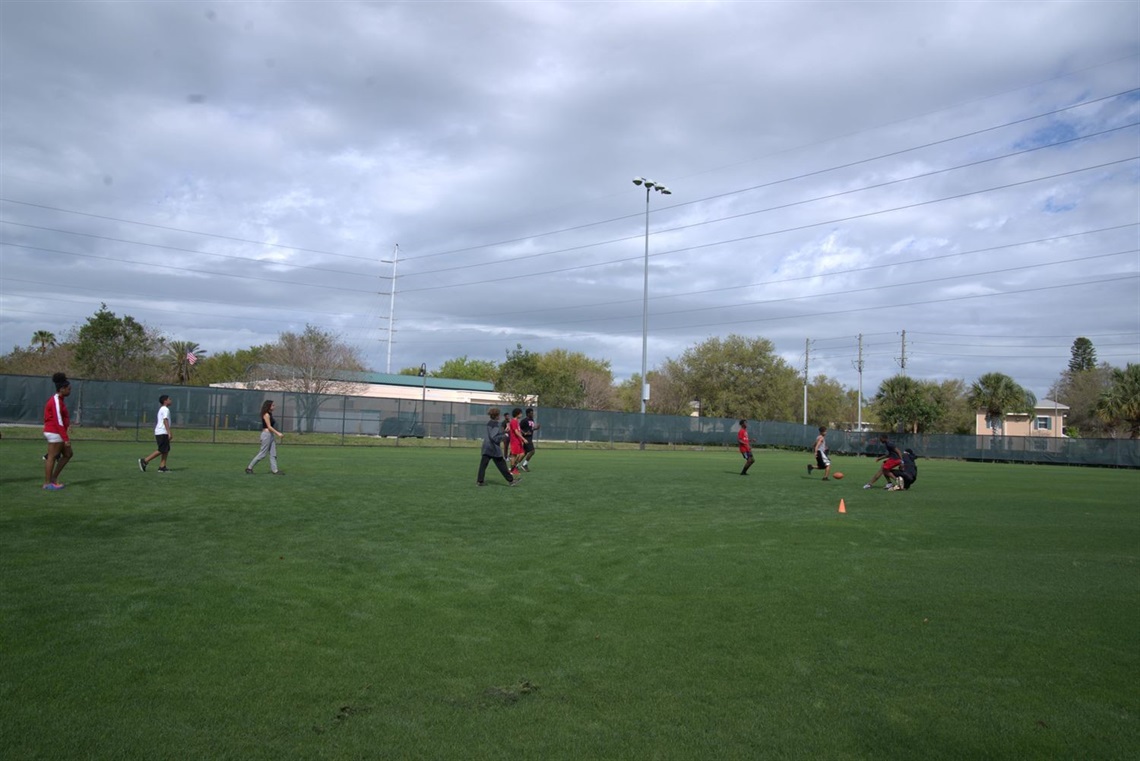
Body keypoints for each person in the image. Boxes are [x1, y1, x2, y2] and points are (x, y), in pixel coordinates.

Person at [42, 372, 73, 490]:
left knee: (68, 454)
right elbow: (58, 420)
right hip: (55, 431)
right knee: (52, 456)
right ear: (62, 389)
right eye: (68, 389)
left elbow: (62, 418)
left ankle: (53, 478)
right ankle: (47, 483)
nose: (70, 391)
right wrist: (65, 438)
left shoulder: (60, 400)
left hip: (58, 431)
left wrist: (67, 426)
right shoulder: (55, 400)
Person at [477, 408, 519, 487]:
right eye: (499, 415)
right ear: (496, 416)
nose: (500, 416)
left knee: (483, 465)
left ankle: (480, 481)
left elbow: (493, 434)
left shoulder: (489, 423)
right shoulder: (496, 424)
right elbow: (494, 437)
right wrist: (505, 436)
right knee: (502, 465)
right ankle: (511, 481)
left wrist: (504, 431)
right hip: (493, 448)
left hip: (486, 447)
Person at [246, 399, 284, 475]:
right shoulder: (266, 414)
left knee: (273, 453)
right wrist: (278, 433)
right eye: (273, 405)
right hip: (266, 435)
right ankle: (249, 468)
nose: (274, 406)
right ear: (268, 406)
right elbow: (269, 427)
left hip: (271, 435)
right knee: (262, 454)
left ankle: (275, 470)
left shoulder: (270, 414)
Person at [139, 395, 173, 472]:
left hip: (162, 432)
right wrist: (169, 432)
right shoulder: (165, 409)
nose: (171, 400)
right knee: (162, 449)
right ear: (165, 401)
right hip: (162, 432)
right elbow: (165, 420)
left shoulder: (163, 409)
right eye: (169, 399)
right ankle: (145, 461)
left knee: (166, 449)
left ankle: (162, 467)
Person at [507, 407, 527, 474]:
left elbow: (518, 431)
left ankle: (513, 467)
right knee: (514, 455)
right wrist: (523, 439)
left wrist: (521, 439)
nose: (521, 415)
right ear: (517, 414)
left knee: (522, 454)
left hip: (518, 441)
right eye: (520, 413)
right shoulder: (513, 421)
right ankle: (512, 469)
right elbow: (516, 432)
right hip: (514, 441)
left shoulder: (516, 421)